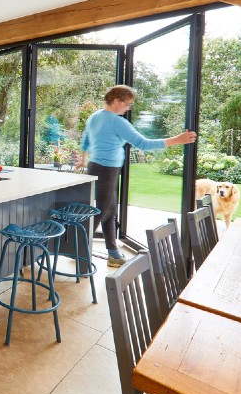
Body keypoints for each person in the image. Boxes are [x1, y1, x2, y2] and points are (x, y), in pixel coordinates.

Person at [78, 85, 197, 267]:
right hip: (107, 170)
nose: (128, 108)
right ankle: (78, 250)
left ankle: (113, 254)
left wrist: (82, 159)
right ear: (117, 101)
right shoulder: (117, 122)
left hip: (96, 168)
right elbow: (143, 144)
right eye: (127, 104)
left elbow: (85, 140)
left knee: (109, 211)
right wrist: (177, 140)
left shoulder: (95, 116)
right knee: (102, 211)